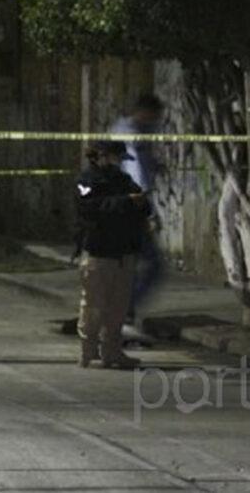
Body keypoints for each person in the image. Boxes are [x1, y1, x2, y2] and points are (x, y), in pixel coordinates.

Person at [74, 141, 150, 369]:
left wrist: (139, 203)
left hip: (124, 252)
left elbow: (143, 206)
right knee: (93, 306)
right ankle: (88, 351)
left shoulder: (123, 180)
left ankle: (112, 351)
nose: (118, 163)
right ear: (101, 156)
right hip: (99, 252)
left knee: (118, 308)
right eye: (115, 157)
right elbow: (88, 208)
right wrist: (126, 202)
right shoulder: (87, 180)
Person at [112, 94, 164, 333]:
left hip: (125, 208)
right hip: (130, 209)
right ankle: (123, 312)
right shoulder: (131, 135)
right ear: (144, 112)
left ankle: (122, 313)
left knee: (131, 264)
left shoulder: (127, 130)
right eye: (154, 116)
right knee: (152, 265)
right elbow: (136, 172)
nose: (155, 121)